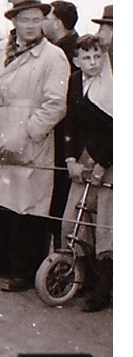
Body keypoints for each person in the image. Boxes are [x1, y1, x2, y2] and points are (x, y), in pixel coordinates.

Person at [0, 0, 69, 292]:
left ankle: (25, 272)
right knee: (0, 201)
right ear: (14, 21)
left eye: (36, 20)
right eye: (24, 19)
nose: (30, 26)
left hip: (27, 140)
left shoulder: (53, 57)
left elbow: (56, 104)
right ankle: (3, 263)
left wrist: (29, 132)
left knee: (28, 207)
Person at [61, 34, 112, 312]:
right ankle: (81, 277)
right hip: (84, 158)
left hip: (112, 161)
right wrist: (70, 159)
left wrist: (104, 163)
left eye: (97, 56)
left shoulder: (115, 85)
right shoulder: (74, 81)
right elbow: (70, 121)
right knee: (75, 219)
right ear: (76, 60)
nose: (92, 62)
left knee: (107, 225)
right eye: (86, 57)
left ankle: (104, 291)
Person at [44, 0, 80, 247]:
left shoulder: (66, 53)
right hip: (60, 133)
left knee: (60, 198)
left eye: (45, 18)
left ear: (56, 23)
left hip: (64, 135)